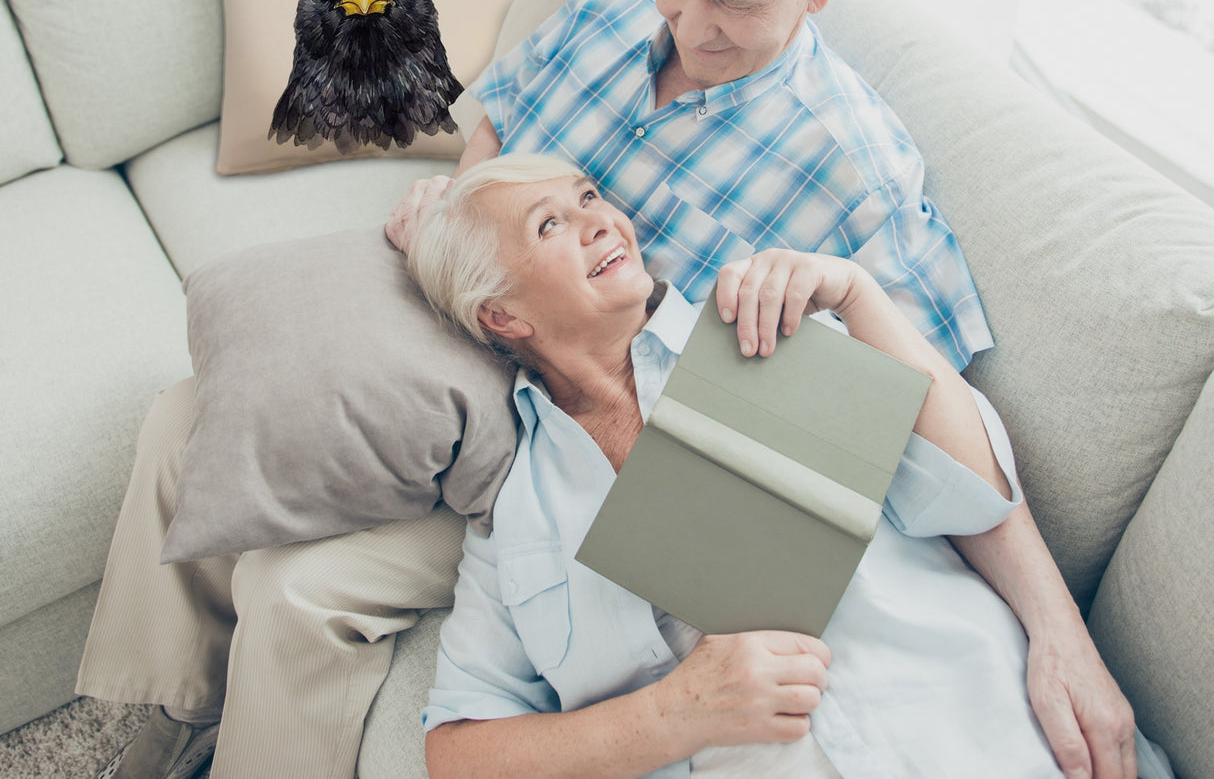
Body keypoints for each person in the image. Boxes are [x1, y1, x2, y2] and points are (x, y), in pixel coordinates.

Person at [79, 0, 1131, 779]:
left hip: (579, 417)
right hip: (488, 312)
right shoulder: (608, 12)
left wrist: (1057, 628)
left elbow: (927, 421)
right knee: (193, 411)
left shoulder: (853, 172)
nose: (687, 22)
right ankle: (159, 716)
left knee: (300, 589)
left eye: (732, 3)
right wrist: (458, 210)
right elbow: (500, 130)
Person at [406, 153, 1156, 779]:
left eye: (589, 197)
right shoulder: (516, 517)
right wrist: (673, 714)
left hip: (989, 731)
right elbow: (458, 751)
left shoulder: (761, 326)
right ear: (502, 316)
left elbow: (972, 494)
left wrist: (858, 294)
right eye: (549, 224)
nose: (601, 219)